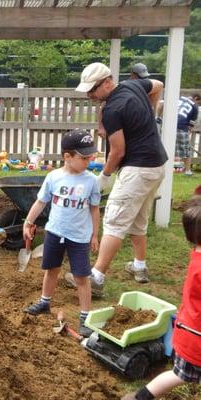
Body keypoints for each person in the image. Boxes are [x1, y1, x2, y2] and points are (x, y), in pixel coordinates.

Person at [66, 62, 167, 296]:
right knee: (138, 219)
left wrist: (105, 176)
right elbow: (158, 85)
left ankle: (97, 277)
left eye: (92, 90)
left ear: (108, 82)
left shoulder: (112, 109)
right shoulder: (133, 86)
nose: (90, 95)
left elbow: (117, 151)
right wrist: (151, 114)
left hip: (138, 169)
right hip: (157, 165)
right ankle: (139, 267)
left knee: (114, 220)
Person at [121, 196, 201, 400]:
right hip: (197, 338)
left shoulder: (196, 256)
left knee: (178, 374)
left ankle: (141, 396)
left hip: (186, 334)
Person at [23, 130, 100, 338]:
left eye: (90, 156)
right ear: (67, 157)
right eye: (84, 158)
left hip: (79, 237)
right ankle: (44, 303)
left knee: (81, 277)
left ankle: (85, 317)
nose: (89, 160)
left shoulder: (91, 181)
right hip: (55, 232)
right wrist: (28, 222)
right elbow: (41, 201)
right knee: (52, 269)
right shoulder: (54, 177)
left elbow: (94, 209)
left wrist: (94, 235)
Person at [174, 94, 200, 176]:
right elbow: (191, 124)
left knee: (166, 147)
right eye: (199, 102)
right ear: (196, 98)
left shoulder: (179, 98)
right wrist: (188, 132)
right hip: (181, 127)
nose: (198, 104)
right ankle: (188, 171)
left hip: (169, 124)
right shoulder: (195, 107)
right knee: (186, 151)